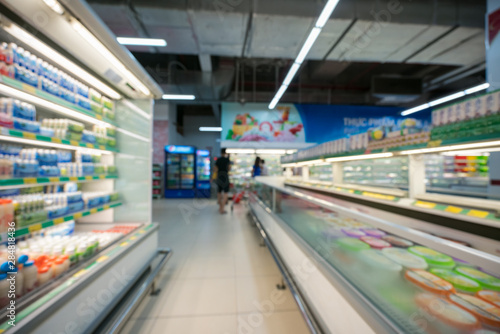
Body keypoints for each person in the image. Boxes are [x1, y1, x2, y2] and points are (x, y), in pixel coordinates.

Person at [215, 148, 231, 214]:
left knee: (219, 192)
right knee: (225, 193)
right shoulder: (227, 160)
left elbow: (215, 169)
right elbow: (229, 168)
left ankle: (220, 207)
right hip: (225, 176)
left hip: (219, 176)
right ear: (225, 153)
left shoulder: (218, 160)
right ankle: (222, 209)